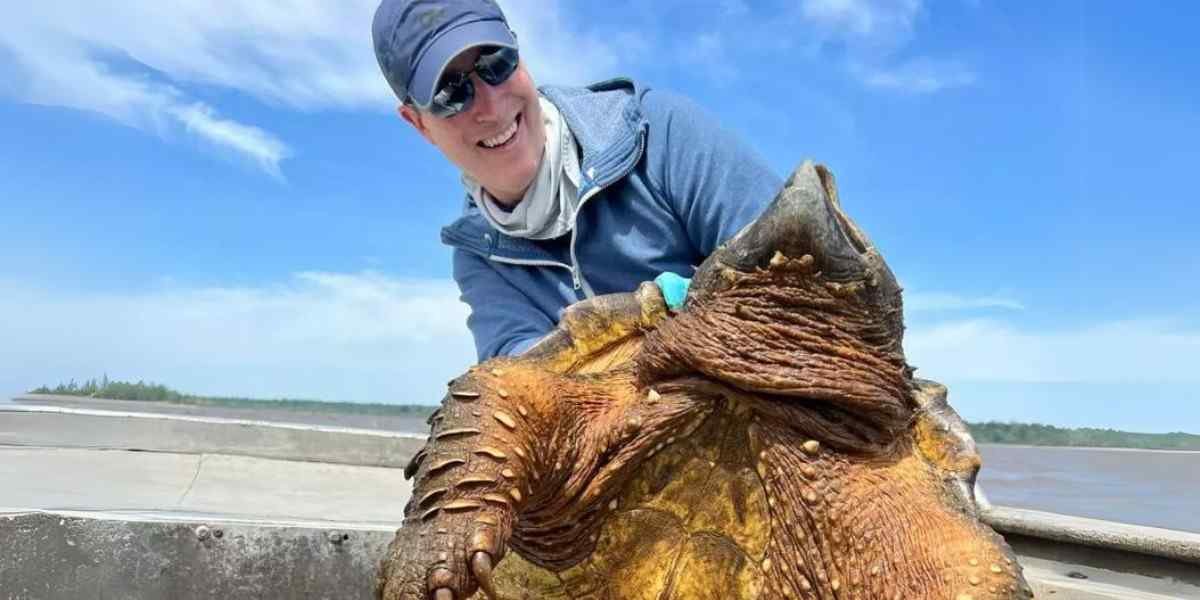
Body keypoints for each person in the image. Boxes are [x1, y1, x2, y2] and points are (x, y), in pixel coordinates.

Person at [372, 0, 782, 361]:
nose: (491, 106)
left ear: (519, 52)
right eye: (450, 92)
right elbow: (517, 382)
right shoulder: (479, 256)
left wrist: (682, 306)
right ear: (418, 124)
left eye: (495, 63)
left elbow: (799, 270)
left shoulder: (661, 134)